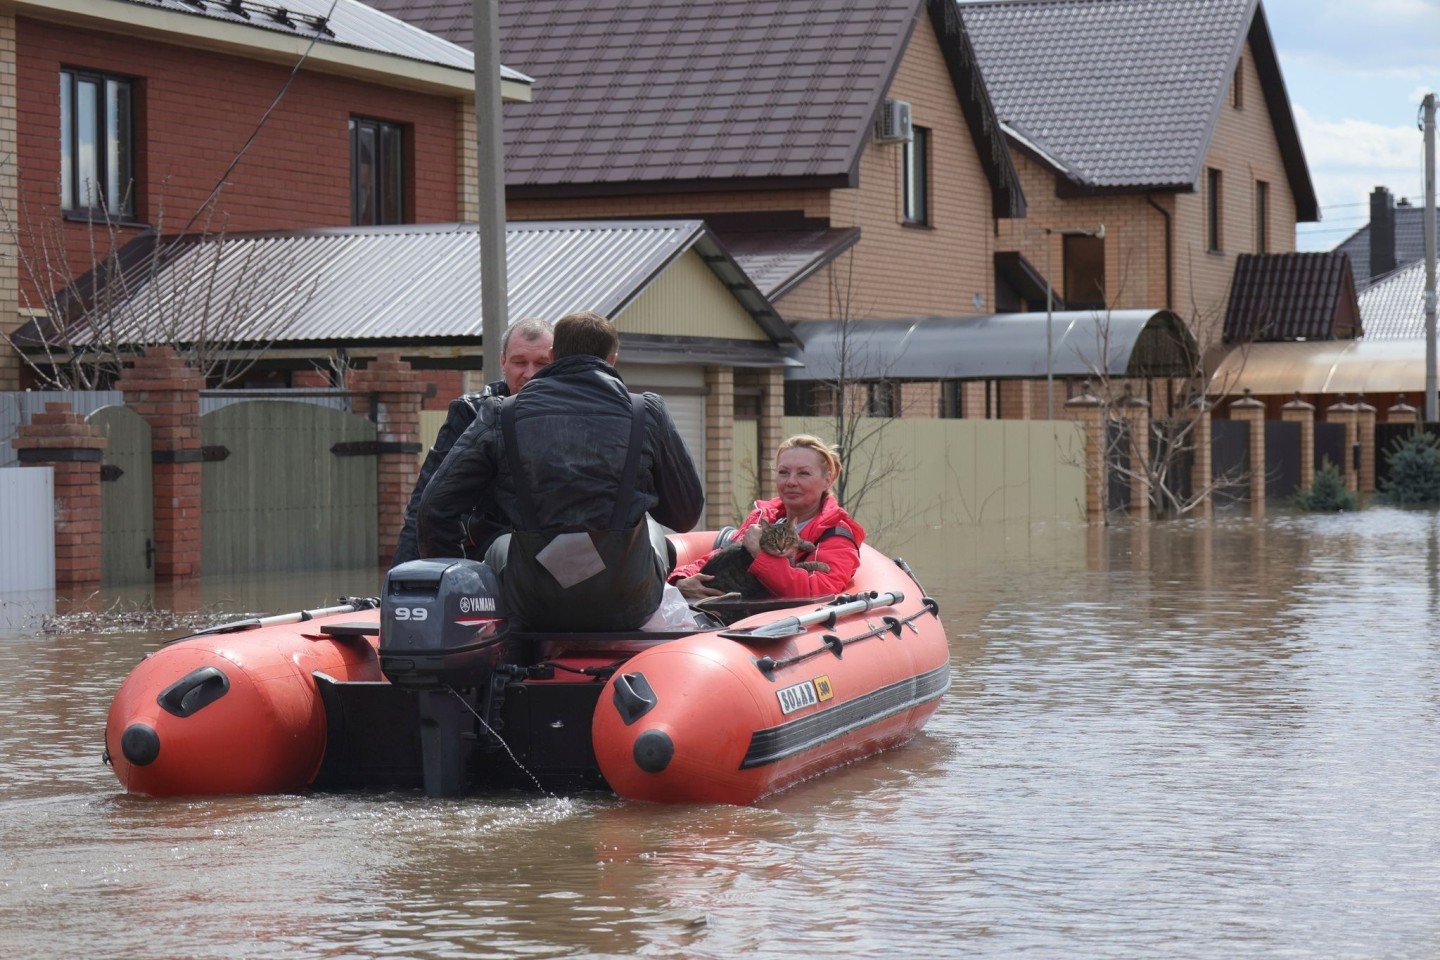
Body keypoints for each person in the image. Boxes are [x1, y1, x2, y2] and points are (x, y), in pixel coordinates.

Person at [416, 311, 704, 631]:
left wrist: (458, 591)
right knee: (652, 531)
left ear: (552, 356)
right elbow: (684, 516)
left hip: (533, 603)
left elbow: (433, 508)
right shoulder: (646, 411)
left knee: (502, 544)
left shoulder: (502, 414)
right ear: (612, 360)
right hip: (629, 602)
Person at [391, 317, 553, 565]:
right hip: (485, 552)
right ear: (503, 362)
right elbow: (424, 505)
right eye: (520, 362)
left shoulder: (576, 416)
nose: (529, 374)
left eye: (542, 364)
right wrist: (404, 582)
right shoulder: (470, 413)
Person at [670, 435, 864, 600]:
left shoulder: (836, 535)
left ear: (827, 480)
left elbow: (817, 591)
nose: (791, 482)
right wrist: (681, 580)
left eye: (803, 473)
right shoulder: (765, 518)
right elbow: (724, 555)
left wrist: (760, 555)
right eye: (783, 472)